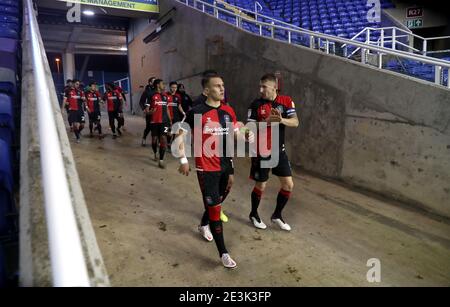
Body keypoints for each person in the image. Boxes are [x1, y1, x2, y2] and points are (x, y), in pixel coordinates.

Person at [175, 73, 252, 268]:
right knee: (216, 209)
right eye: (217, 86)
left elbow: (236, 131)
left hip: (226, 163)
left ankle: (203, 224)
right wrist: (183, 159)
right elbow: (180, 135)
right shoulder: (196, 112)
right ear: (206, 90)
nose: (222, 88)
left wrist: (246, 134)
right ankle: (223, 253)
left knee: (224, 192)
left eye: (223, 85)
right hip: (206, 167)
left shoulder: (228, 110)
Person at [247, 73, 299, 231]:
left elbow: (295, 122)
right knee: (261, 185)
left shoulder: (286, 101)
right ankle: (254, 214)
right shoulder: (256, 104)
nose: (261, 89)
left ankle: (277, 215)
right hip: (261, 151)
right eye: (260, 86)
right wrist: (266, 122)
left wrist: (281, 120)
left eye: (264, 87)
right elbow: (249, 127)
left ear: (274, 87)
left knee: (288, 185)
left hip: (279, 151)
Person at [146, 79, 171, 168]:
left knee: (163, 139)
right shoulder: (150, 95)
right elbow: (146, 111)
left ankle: (161, 160)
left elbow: (167, 109)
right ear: (157, 85)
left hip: (164, 122)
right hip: (154, 122)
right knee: (154, 141)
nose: (163, 85)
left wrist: (170, 120)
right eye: (162, 84)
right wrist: (151, 112)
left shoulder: (165, 96)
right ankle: (155, 152)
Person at [140, 77, 156, 146]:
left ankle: (156, 142)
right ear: (150, 83)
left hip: (158, 112)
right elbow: (141, 102)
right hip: (149, 112)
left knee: (157, 127)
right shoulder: (146, 92)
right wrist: (144, 109)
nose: (155, 83)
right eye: (153, 81)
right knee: (149, 127)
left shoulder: (158, 90)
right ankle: (144, 138)